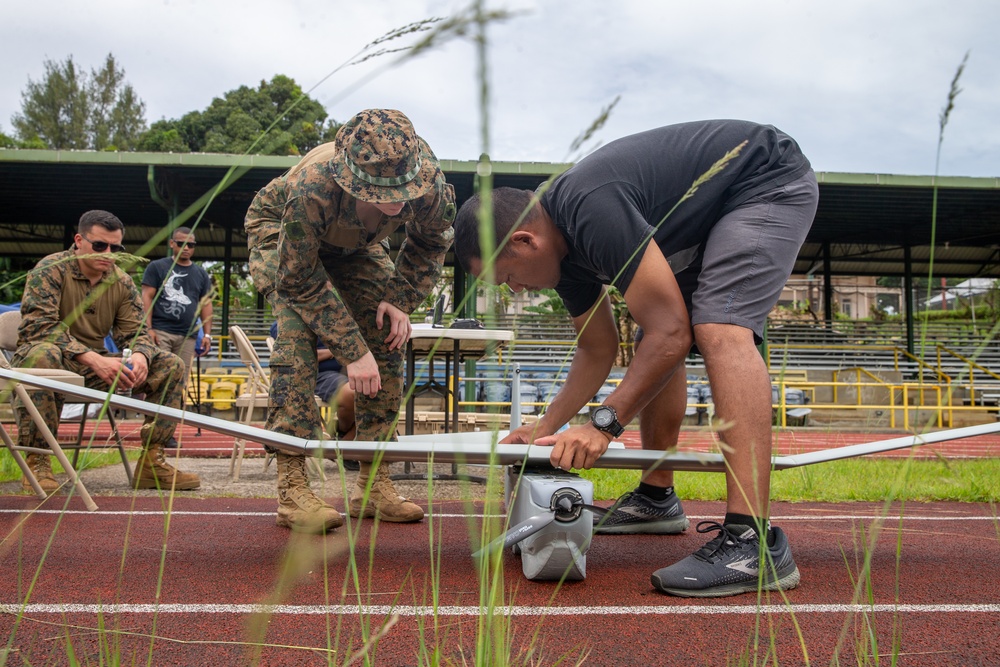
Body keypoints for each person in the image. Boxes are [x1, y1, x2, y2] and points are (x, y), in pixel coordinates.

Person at [453, 120, 817, 598]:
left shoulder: (588, 205)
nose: (516, 290)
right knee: (655, 332)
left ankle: (752, 543)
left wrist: (603, 425)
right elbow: (597, 347)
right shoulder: (563, 254)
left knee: (719, 327)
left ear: (524, 241)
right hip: (707, 214)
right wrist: (550, 423)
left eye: (507, 278)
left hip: (762, 179)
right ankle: (656, 497)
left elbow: (674, 334)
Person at [245, 108, 456, 533]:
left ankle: (373, 484)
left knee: (389, 334)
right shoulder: (313, 185)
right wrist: (352, 350)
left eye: (403, 189)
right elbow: (299, 276)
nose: (397, 200)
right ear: (350, 178)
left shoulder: (429, 182)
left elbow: (433, 241)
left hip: (356, 246)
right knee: (295, 335)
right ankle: (292, 488)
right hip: (283, 236)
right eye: (381, 191)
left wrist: (401, 299)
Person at [12, 210, 201, 493]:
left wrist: (140, 355)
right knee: (42, 354)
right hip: (47, 361)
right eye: (100, 245)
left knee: (170, 364)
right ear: (79, 240)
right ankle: (38, 461)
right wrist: (91, 357)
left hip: (92, 365)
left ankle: (152, 461)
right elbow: (39, 327)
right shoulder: (50, 269)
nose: (108, 253)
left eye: (116, 248)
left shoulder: (121, 282)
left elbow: (136, 332)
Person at [141, 226, 214, 447]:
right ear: (172, 243)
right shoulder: (157, 267)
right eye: (182, 243)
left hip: (188, 335)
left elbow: (207, 304)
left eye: (191, 245)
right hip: (161, 330)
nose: (186, 248)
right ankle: (150, 429)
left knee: (178, 385)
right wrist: (148, 329)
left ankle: (167, 432)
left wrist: (208, 334)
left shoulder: (200, 273)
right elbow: (147, 297)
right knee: (158, 380)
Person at [269, 320, 358, 449]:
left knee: (383, 394)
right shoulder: (285, 322)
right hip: (315, 375)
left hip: (351, 370)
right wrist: (334, 352)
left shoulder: (339, 316)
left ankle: (343, 436)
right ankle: (344, 438)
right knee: (353, 393)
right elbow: (295, 356)